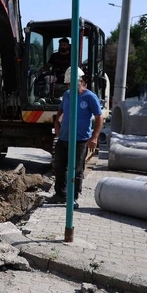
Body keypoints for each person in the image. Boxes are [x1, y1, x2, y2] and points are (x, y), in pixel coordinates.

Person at [52, 68, 103, 209]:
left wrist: (94, 137)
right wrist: (57, 123)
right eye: (68, 84)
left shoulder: (90, 97)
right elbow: (61, 110)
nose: (70, 87)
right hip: (64, 138)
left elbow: (99, 118)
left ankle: (73, 197)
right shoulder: (67, 95)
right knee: (60, 167)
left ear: (81, 82)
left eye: (72, 84)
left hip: (80, 140)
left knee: (77, 169)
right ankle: (60, 195)